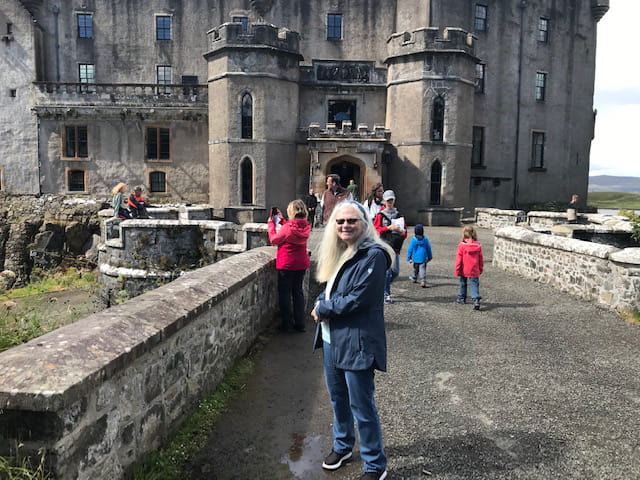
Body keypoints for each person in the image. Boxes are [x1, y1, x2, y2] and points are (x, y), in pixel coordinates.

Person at [311, 200, 393, 480]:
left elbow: (359, 298)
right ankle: (343, 445)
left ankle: (375, 464)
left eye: (351, 221)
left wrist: (322, 308)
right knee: (338, 399)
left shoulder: (374, 255)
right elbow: (332, 290)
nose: (345, 226)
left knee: (362, 405)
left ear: (364, 224)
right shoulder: (344, 252)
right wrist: (321, 300)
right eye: (340, 222)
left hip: (357, 342)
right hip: (332, 340)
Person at [268, 199, 311, 332]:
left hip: (287, 264)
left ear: (291, 211)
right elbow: (293, 228)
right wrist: (281, 220)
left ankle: (286, 324)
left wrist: (271, 224)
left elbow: (274, 239)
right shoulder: (306, 225)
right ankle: (300, 323)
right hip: (301, 263)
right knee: (297, 292)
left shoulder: (287, 228)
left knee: (285, 294)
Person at [374, 190, 407, 304]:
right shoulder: (380, 215)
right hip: (385, 245)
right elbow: (376, 230)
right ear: (384, 201)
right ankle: (386, 294)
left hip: (395, 246)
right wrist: (388, 228)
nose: (390, 202)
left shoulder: (399, 215)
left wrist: (402, 232)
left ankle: (383, 286)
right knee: (387, 272)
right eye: (388, 200)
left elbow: (405, 231)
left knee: (395, 272)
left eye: (391, 200)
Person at [455, 225, 484, 310]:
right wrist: (480, 268)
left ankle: (461, 298)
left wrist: (457, 269)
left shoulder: (461, 245)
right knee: (474, 284)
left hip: (464, 268)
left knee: (462, 283)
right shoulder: (478, 245)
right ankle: (476, 299)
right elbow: (481, 259)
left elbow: (459, 259)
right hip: (474, 268)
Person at [407, 224, 433, 288]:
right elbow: (428, 248)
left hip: (415, 258)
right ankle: (423, 280)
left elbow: (410, 249)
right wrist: (430, 257)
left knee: (415, 269)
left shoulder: (413, 240)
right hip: (423, 257)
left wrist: (409, 257)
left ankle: (414, 278)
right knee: (422, 269)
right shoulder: (425, 240)